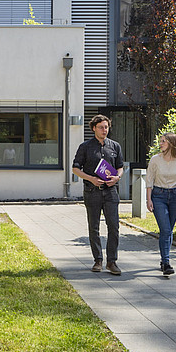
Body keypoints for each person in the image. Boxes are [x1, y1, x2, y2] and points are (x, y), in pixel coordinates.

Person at [72, 114, 125, 275]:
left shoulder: (115, 146)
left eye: (106, 127)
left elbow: (121, 167)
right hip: (92, 191)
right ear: (94, 128)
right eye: (101, 127)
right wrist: (91, 179)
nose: (104, 130)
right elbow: (75, 168)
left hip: (111, 192)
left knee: (114, 227)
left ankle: (112, 261)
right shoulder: (85, 147)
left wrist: (117, 177)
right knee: (94, 227)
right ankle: (98, 260)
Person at [146, 132, 176, 276]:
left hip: (175, 196)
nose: (160, 144)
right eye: (160, 141)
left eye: (163, 141)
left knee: (168, 230)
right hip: (158, 196)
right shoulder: (155, 160)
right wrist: (148, 200)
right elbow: (149, 180)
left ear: (172, 144)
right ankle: (166, 262)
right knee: (166, 229)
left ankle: (164, 259)